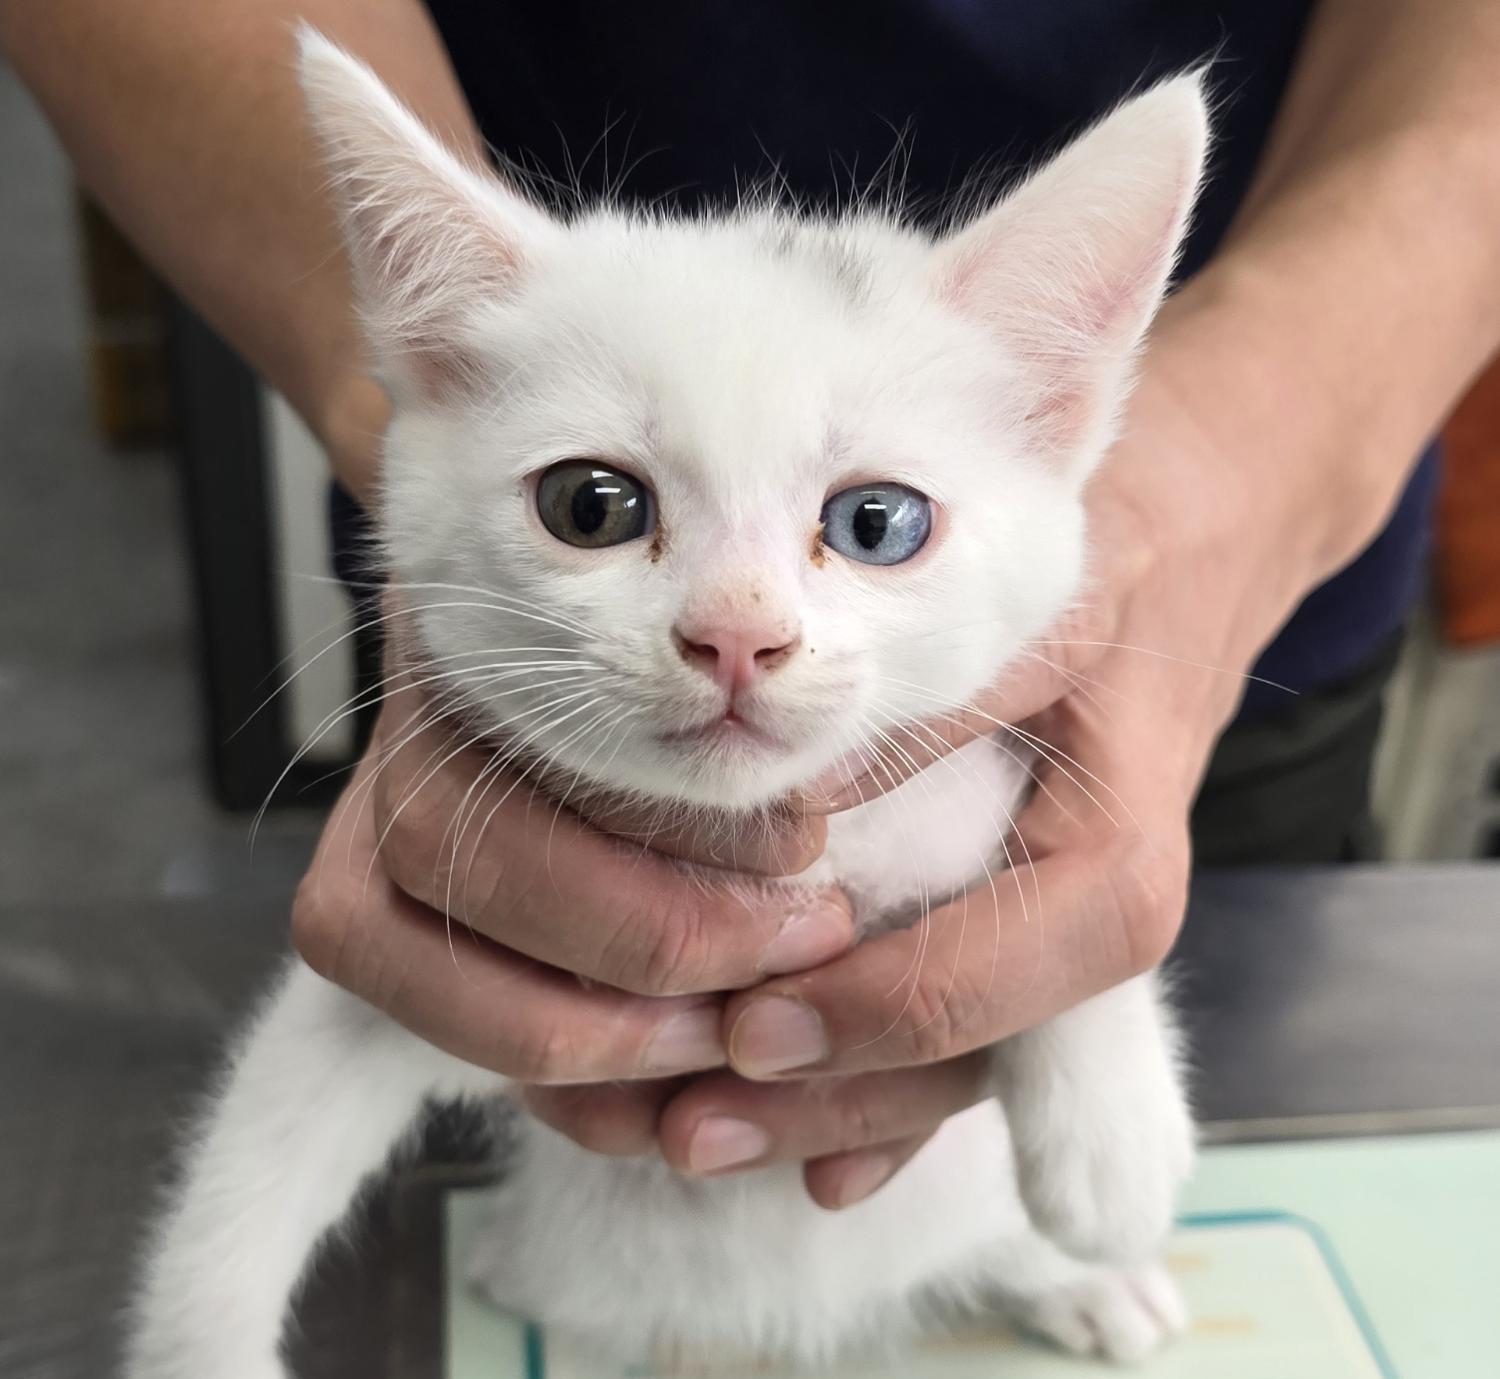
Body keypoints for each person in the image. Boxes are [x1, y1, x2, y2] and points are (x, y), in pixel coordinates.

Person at [7, 1, 1499, 1209]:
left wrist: (1230, 471)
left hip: (1240, 532)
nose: (743, 632)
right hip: (539, 479)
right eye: (603, 509)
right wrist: (440, 407)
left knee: (1105, 1083)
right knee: (554, 1075)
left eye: (868, 527)